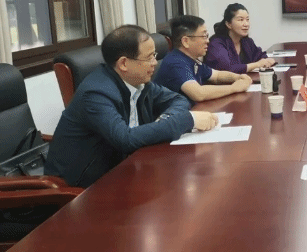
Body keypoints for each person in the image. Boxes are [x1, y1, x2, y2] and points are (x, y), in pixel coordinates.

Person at [45, 25, 219, 188]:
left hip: (127, 169)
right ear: (124, 63)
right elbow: (126, 139)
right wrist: (187, 120)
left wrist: (166, 120)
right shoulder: (96, 94)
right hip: (84, 187)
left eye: (155, 55)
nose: (155, 62)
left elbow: (178, 100)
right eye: (149, 57)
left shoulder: (139, 82)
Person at [154, 15, 252, 103]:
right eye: (204, 36)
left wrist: (238, 77)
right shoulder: (176, 62)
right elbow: (198, 93)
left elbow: (217, 76)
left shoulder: (191, 59)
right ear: (185, 41)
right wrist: (234, 88)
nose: (207, 41)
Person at [204, 3, 276, 74]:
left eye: (247, 19)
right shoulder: (216, 43)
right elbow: (228, 69)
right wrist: (257, 65)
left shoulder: (246, 41)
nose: (246, 24)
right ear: (229, 24)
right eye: (241, 20)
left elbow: (259, 56)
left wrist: (267, 60)